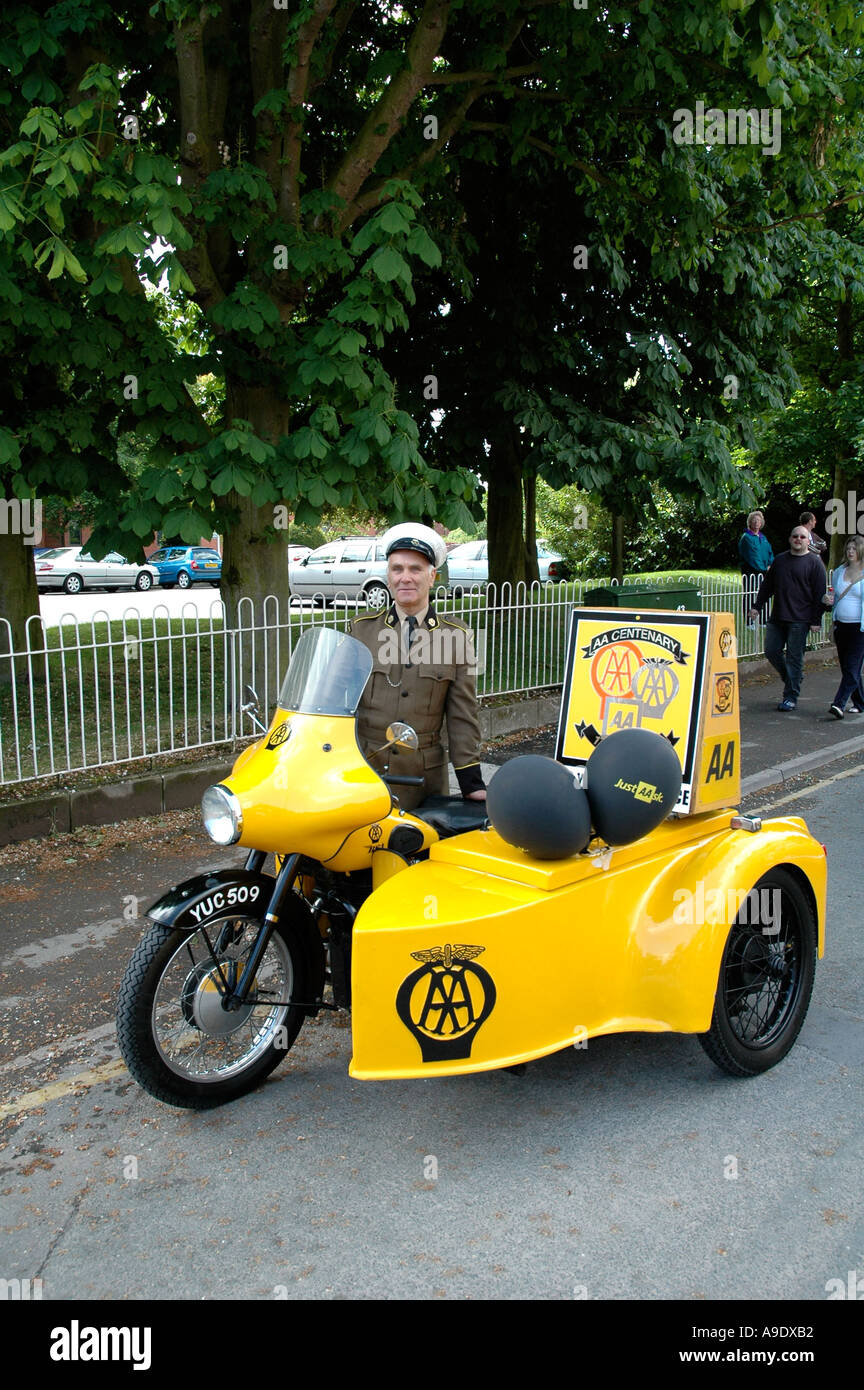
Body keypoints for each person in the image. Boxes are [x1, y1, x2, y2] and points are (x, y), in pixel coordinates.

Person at [351, 523, 486, 811]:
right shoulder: (360, 631)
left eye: (415, 569)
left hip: (424, 782)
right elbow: (337, 704)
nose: (405, 578)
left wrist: (471, 783)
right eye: (397, 569)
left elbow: (463, 714)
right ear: (388, 576)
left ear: (432, 576)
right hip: (364, 774)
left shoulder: (458, 636)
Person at [749, 525, 828, 711]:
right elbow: (767, 586)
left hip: (800, 620)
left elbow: (820, 594)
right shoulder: (780, 560)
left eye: (802, 537)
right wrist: (756, 607)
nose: (798, 539)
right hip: (777, 617)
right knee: (771, 650)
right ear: (790, 539)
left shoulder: (814, 563)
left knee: (794, 658)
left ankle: (790, 696)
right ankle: (791, 678)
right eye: (795, 536)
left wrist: (816, 619)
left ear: (808, 541)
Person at [824, 536, 864, 719]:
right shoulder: (840, 571)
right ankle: (860, 702)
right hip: (841, 625)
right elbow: (834, 595)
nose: (850, 552)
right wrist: (827, 600)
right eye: (848, 549)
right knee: (849, 668)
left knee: (852, 667)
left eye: (854, 549)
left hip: (860, 628)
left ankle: (838, 703)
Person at [737, 510, 774, 617]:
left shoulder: (763, 537)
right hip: (751, 571)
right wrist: (763, 568)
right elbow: (752, 556)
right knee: (750, 594)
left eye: (759, 521)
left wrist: (770, 565)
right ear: (750, 522)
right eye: (754, 521)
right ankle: (749, 621)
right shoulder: (746, 538)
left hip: (765, 570)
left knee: (765, 593)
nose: (757, 523)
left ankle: (764, 619)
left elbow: (769, 551)